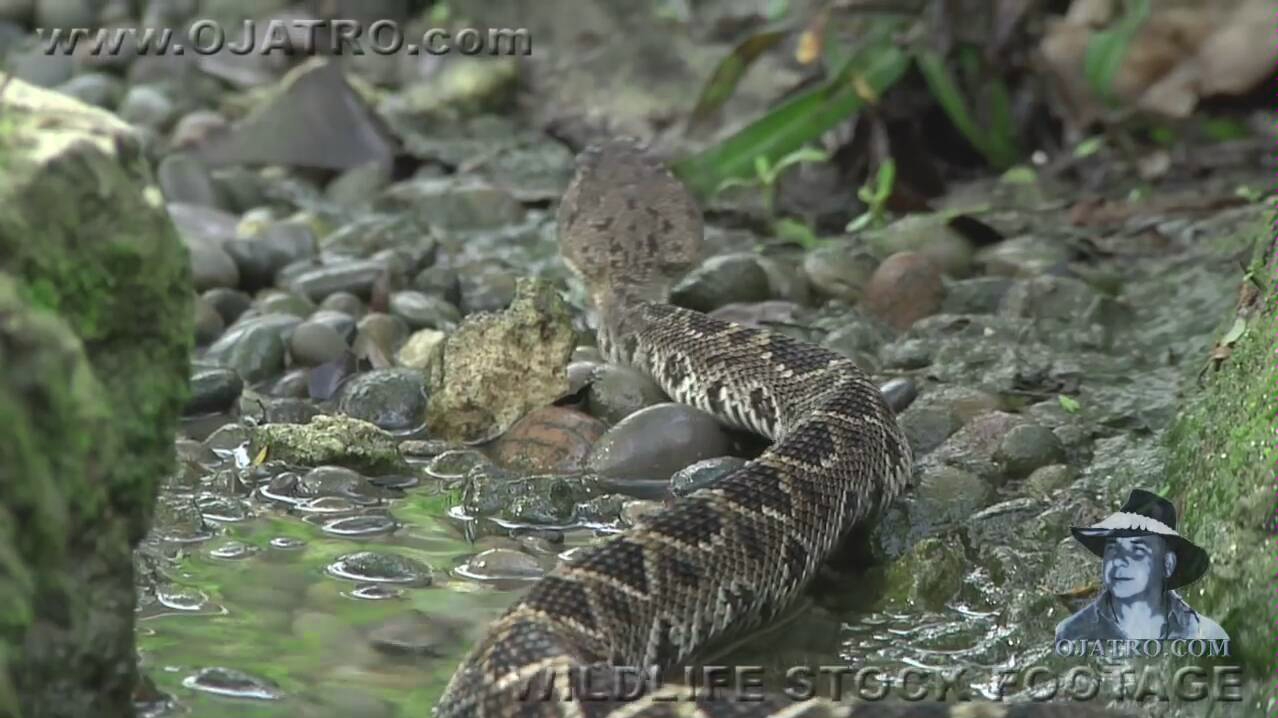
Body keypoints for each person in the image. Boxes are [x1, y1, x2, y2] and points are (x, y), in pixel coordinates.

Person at [1055, 489, 1229, 642]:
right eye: (1114, 550)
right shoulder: (1073, 632)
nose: (1120, 561)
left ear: (1167, 565)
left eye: (1137, 551)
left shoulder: (1202, 633)